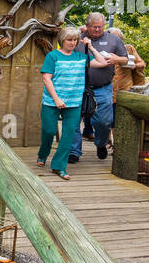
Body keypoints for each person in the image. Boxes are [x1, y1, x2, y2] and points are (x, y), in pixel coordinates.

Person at [39, 26, 112, 179]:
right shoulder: (52, 57)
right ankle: (43, 153)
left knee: (69, 134)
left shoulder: (81, 58)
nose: (72, 43)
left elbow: (103, 62)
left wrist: (90, 47)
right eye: (69, 40)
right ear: (62, 40)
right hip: (52, 101)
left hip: (74, 103)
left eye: (75, 40)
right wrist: (57, 99)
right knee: (49, 131)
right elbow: (46, 78)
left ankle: (59, 166)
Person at [69, 12, 128, 162]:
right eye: (94, 27)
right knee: (74, 119)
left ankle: (101, 143)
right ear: (86, 26)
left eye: (100, 27)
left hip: (103, 88)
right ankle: (74, 151)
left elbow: (125, 60)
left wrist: (116, 59)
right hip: (78, 87)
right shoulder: (76, 40)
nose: (97, 30)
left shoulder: (113, 39)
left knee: (103, 121)